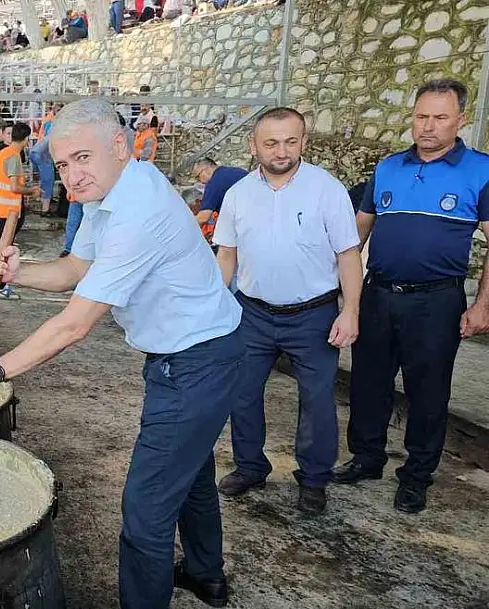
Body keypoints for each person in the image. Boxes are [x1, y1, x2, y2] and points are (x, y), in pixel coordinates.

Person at [0, 98, 242, 609]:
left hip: (198, 362)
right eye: (62, 165)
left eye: (83, 158)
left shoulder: (139, 212)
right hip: (189, 354)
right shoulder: (107, 197)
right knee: (191, 471)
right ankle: (206, 573)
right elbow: (73, 269)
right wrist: (19, 270)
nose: (72, 175)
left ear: (119, 145)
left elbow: (74, 323)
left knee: (146, 509)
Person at [334, 79, 489, 513]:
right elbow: (357, 233)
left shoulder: (481, 170)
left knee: (428, 391)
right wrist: (345, 294)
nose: (428, 126)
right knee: (368, 383)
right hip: (379, 294)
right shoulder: (388, 167)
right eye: (421, 116)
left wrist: (483, 304)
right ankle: (366, 458)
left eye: (440, 117)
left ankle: (417, 475)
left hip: (436, 303)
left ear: (462, 119)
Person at [212, 107, 364, 514]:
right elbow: (227, 254)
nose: (282, 151)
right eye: (271, 142)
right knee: (242, 394)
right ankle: (250, 466)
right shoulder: (238, 194)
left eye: (291, 141)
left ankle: (314, 479)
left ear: (303, 142)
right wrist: (215, 305)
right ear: (253, 145)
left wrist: (350, 311)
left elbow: (349, 255)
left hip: (314, 315)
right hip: (253, 313)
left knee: (316, 399)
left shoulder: (327, 190)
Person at [0, 122, 40, 300]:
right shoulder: (13, 156)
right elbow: (15, 187)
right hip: (7, 212)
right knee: (4, 250)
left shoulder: (2, 153)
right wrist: (32, 190)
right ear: (26, 139)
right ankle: (0, 286)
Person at [192, 158, 248, 247]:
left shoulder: (213, 184)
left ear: (206, 169)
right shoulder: (238, 171)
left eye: (198, 176)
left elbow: (203, 217)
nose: (200, 181)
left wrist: (187, 228)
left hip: (243, 226)